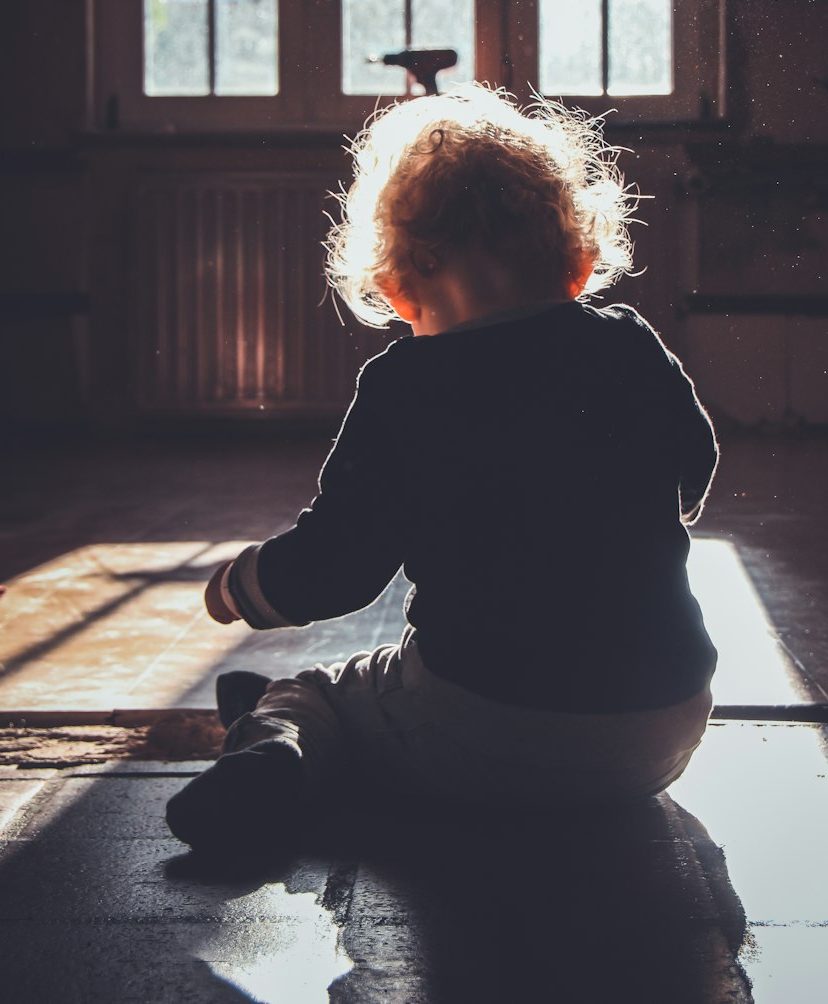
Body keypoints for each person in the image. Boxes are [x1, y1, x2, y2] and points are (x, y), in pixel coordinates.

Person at [166, 84, 718, 853]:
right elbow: (695, 464)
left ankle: (281, 741)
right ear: (580, 262)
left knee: (318, 689)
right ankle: (304, 725)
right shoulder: (629, 342)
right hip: (664, 726)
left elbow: (338, 568)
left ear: (396, 286)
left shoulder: (405, 384)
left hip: (488, 729)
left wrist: (240, 587)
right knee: (388, 689)